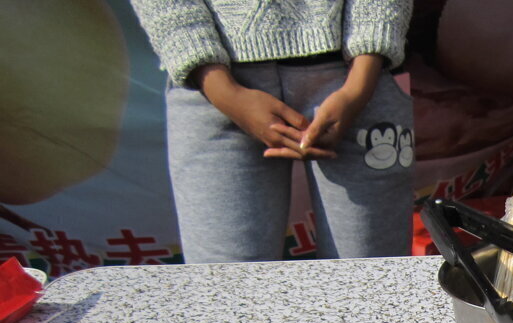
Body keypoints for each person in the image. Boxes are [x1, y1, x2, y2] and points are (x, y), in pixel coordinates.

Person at [130, 0, 414, 264]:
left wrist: (358, 87)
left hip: (362, 78)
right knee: (225, 295)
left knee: (370, 285)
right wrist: (224, 91)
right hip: (212, 88)